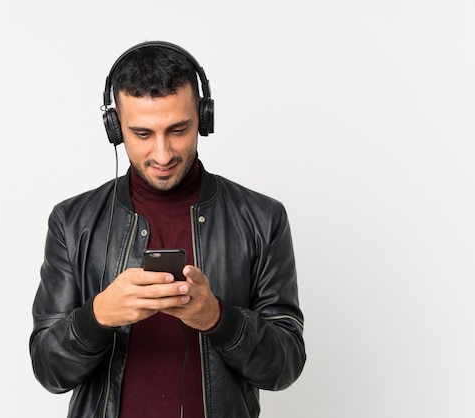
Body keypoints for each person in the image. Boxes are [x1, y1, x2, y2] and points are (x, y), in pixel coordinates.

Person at [29, 40, 306, 418]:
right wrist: (98, 316)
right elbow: (49, 371)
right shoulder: (71, 221)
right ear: (115, 129)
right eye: (142, 134)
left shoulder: (262, 218)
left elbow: (284, 367)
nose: (162, 154)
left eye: (178, 130)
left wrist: (218, 318)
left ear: (203, 120)